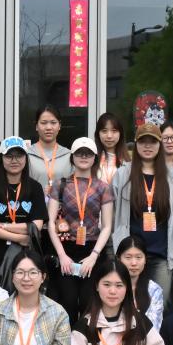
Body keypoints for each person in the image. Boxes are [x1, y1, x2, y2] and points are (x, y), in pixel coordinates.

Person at [46, 136, 114, 323]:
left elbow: (107, 226)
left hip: (92, 250)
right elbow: (50, 223)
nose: (84, 157)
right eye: (79, 153)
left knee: (88, 303)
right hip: (65, 248)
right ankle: (65, 340)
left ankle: (85, 339)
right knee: (66, 302)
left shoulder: (103, 188)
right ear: (72, 157)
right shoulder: (60, 185)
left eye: (88, 154)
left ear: (95, 158)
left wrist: (94, 256)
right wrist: (62, 255)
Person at [112, 122, 173, 297]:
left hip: (161, 255)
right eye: (143, 142)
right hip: (131, 255)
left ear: (160, 144)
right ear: (136, 144)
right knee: (128, 301)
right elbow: (113, 213)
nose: (148, 146)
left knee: (159, 304)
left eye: (153, 142)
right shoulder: (123, 174)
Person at [0, 136, 48, 270]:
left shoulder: (35, 187)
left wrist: (2, 225)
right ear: (1, 159)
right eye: (9, 156)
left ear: (26, 158)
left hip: (26, 255)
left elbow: (36, 225)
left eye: (19, 156)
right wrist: (19, 238)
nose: (14, 161)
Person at [116, 236, 164, 331]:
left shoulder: (154, 289)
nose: (134, 263)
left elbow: (154, 327)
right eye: (128, 257)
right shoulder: (110, 287)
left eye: (138, 257)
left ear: (145, 259)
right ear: (118, 259)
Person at [25, 104, 72, 197]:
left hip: (62, 205)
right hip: (34, 204)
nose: (49, 127)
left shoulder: (69, 155)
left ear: (59, 126)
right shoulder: (27, 154)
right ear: (36, 126)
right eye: (43, 123)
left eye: (53, 123)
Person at [93, 112, 127, 187]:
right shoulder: (91, 159)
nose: (109, 136)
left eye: (114, 131)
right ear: (98, 134)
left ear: (120, 133)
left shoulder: (128, 161)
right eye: (104, 131)